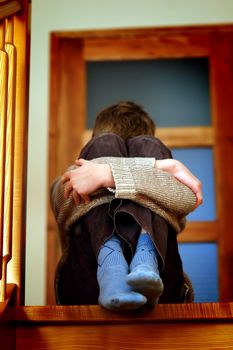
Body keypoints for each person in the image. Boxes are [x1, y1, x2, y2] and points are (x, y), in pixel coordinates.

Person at [50, 101, 202, 311]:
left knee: (151, 146)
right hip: (87, 287)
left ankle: (145, 259)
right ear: (89, 158)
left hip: (158, 285)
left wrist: (108, 174)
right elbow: (61, 195)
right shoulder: (74, 177)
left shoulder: (159, 173)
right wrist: (157, 167)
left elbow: (188, 198)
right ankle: (111, 268)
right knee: (105, 143)